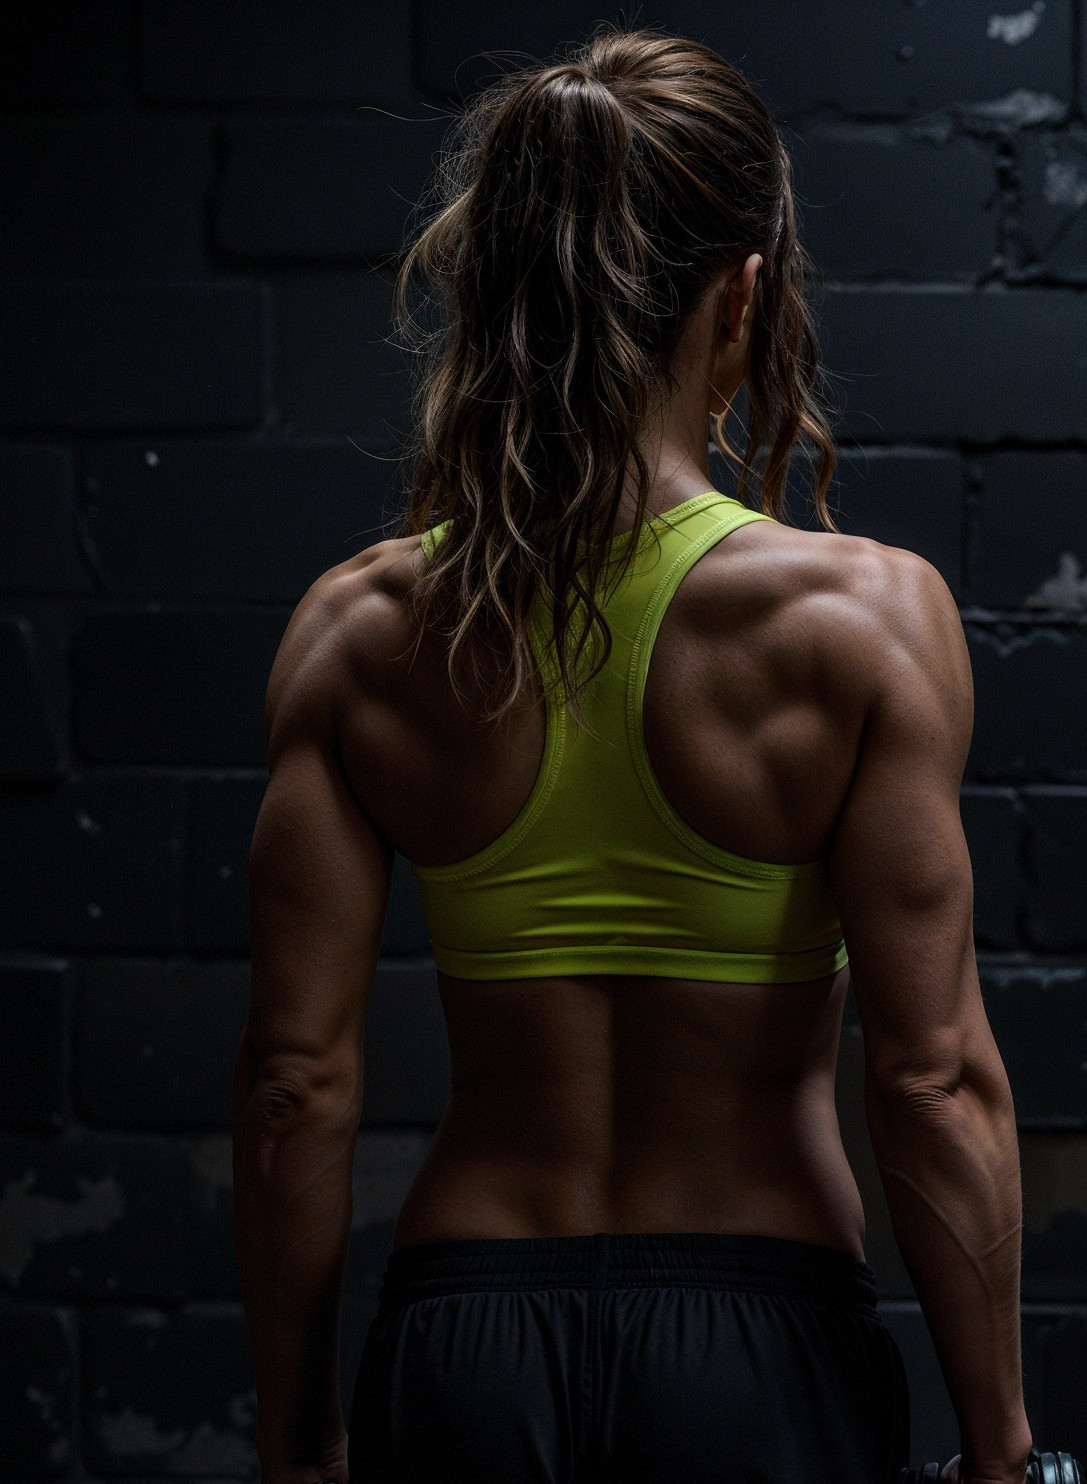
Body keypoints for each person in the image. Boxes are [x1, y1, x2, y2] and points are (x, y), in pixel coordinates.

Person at [234, 33, 1032, 1484]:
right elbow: (929, 1080)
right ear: (745, 297)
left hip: (467, 1338)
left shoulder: (359, 631)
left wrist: (297, 1445)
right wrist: (1002, 1450)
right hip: (757, 1335)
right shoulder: (859, 623)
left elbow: (295, 1082)